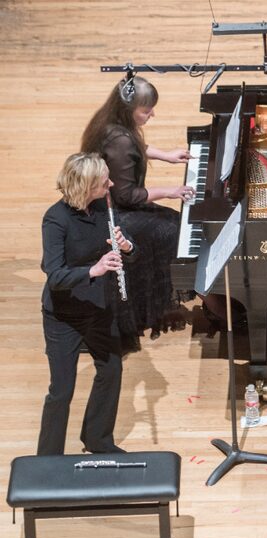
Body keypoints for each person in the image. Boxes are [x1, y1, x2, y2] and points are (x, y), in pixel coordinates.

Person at [80, 75, 195, 349]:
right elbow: (127, 196)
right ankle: (148, 305)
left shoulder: (111, 124)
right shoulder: (119, 139)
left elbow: (134, 145)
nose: (152, 114)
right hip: (112, 213)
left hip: (116, 203)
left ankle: (151, 299)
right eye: (146, 110)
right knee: (173, 228)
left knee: (172, 221)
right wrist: (170, 190)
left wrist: (165, 155)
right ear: (128, 109)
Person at [38, 153, 137, 455]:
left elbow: (128, 247)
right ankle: (48, 458)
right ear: (86, 187)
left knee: (111, 370)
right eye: (104, 181)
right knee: (61, 390)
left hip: (97, 308)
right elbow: (54, 275)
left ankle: (97, 439)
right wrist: (93, 270)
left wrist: (125, 245)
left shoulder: (103, 206)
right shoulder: (56, 219)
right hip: (63, 316)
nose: (111, 183)